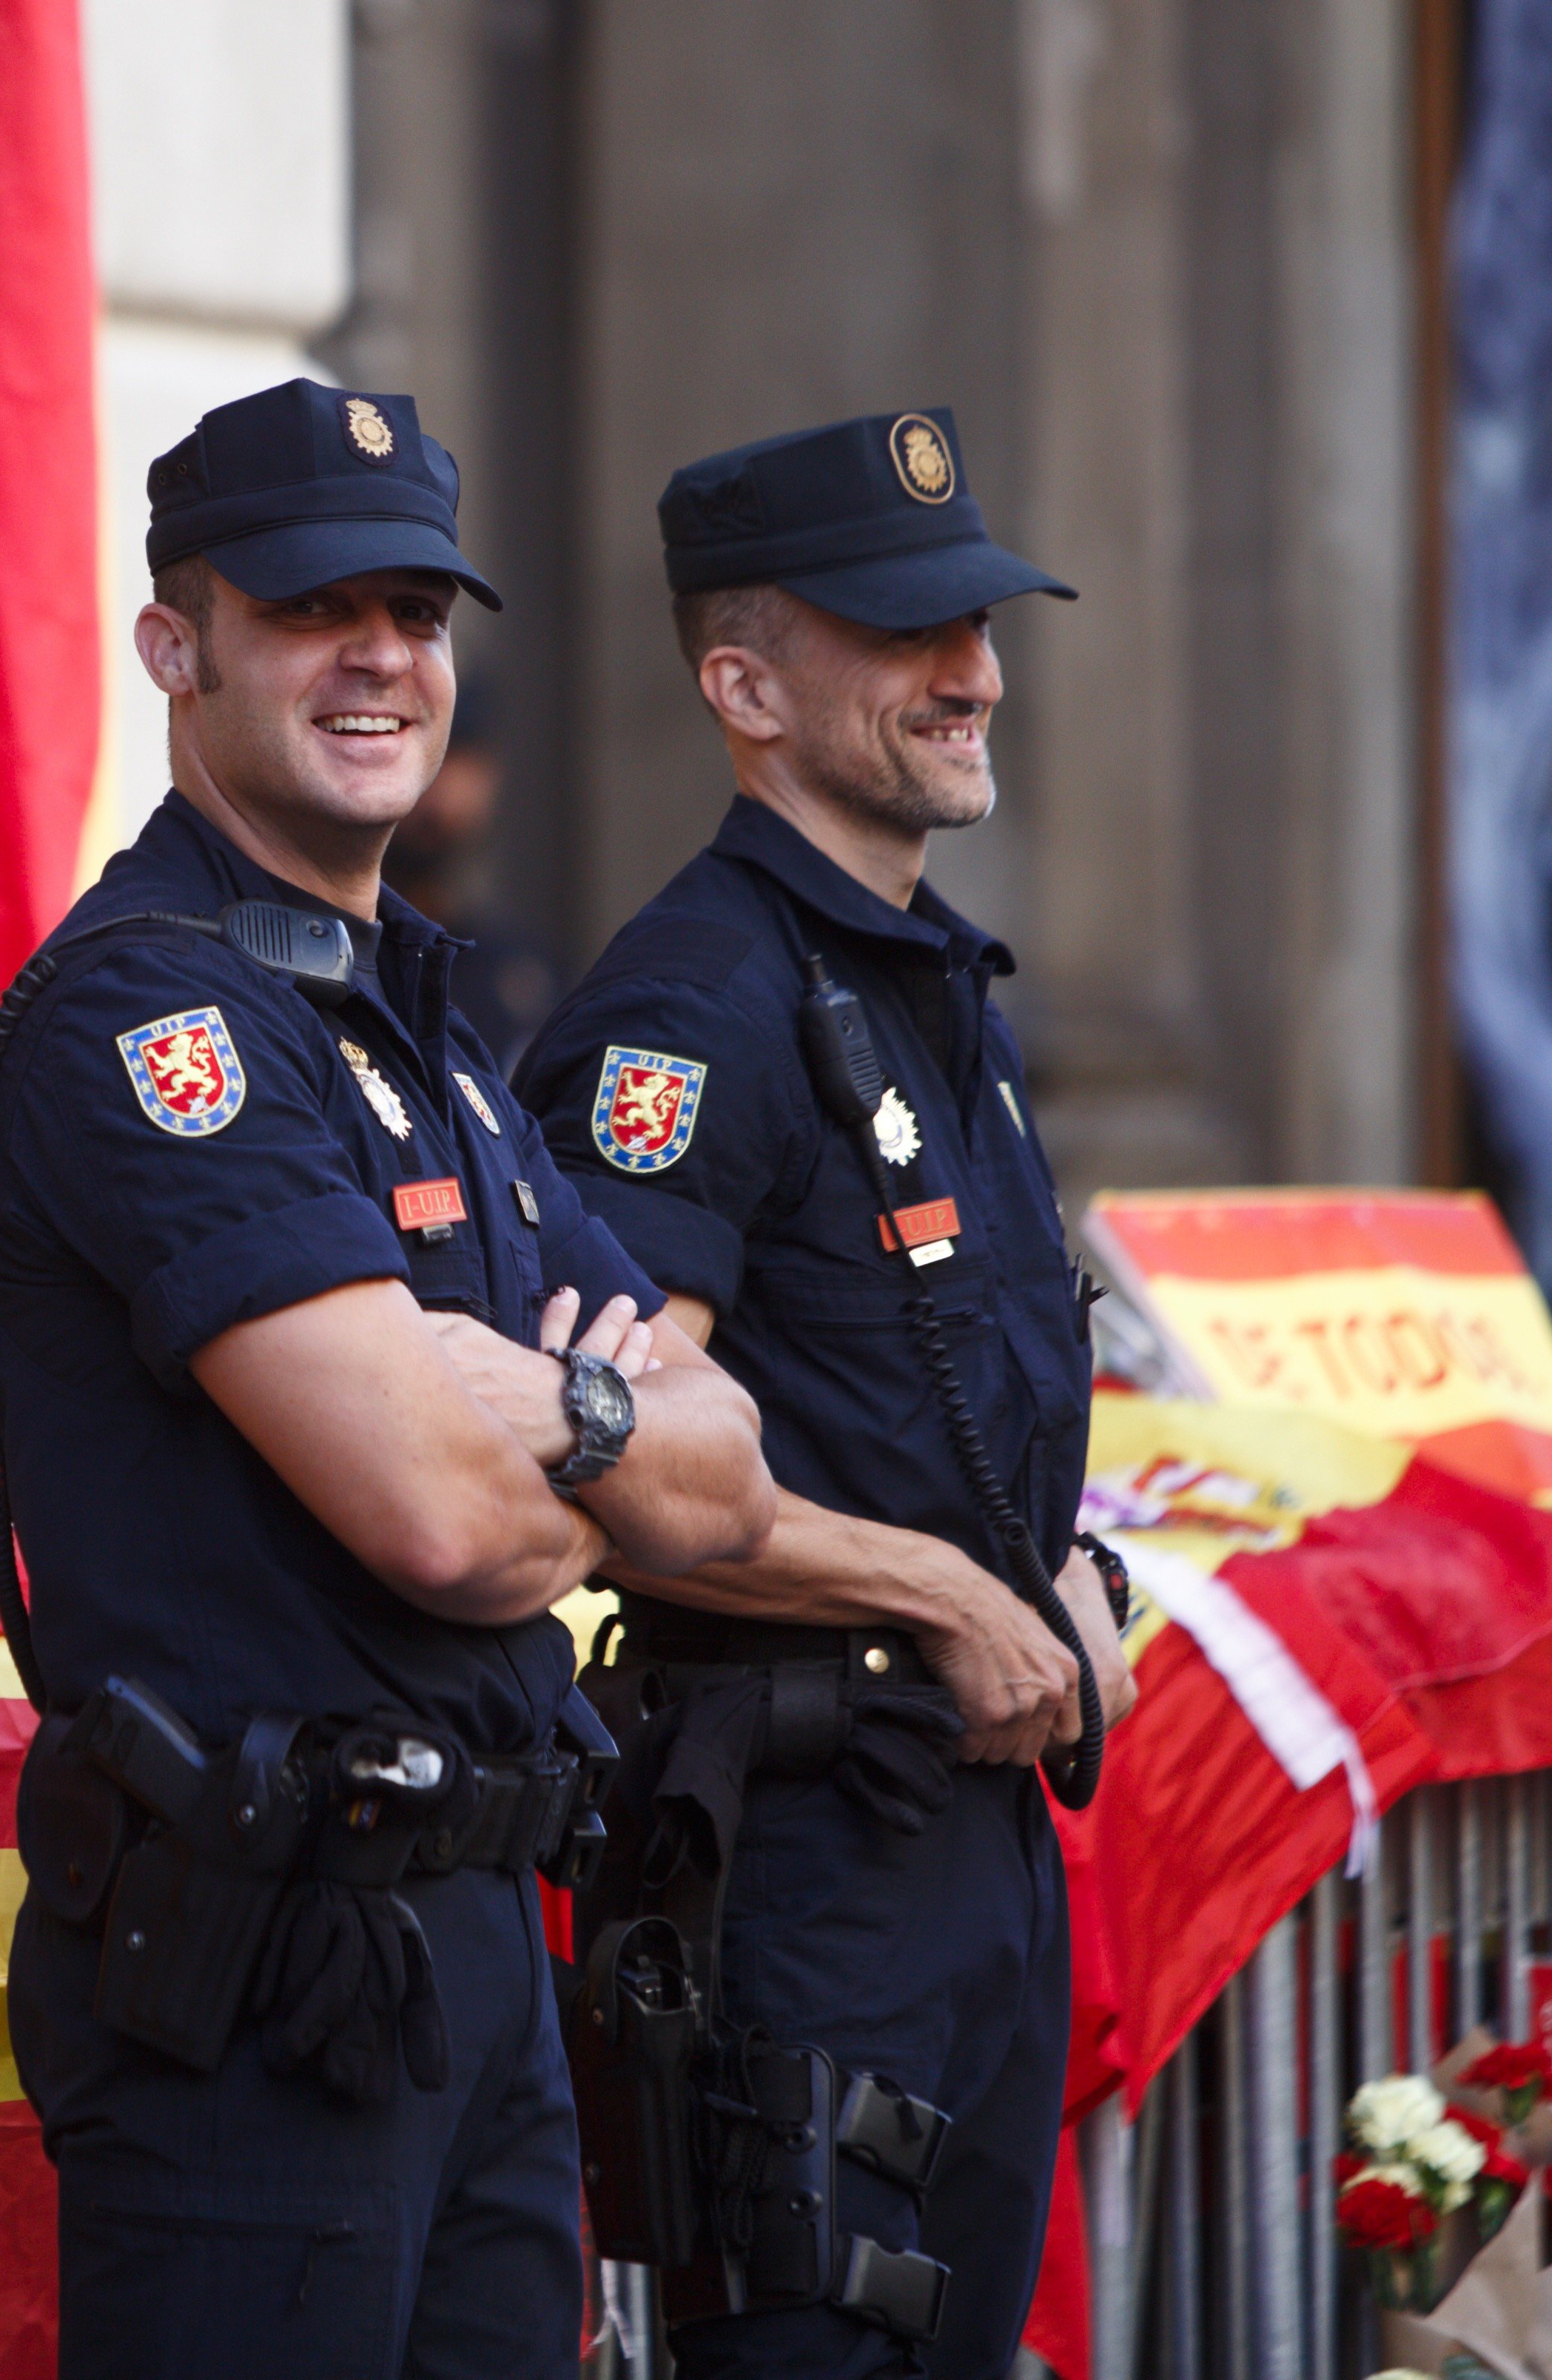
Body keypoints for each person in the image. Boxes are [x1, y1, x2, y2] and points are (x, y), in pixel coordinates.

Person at [0, 377, 777, 2376]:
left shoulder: (411, 1012)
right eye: (317, 606)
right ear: (178, 645)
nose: (383, 658)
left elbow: (729, 1477)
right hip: (264, 1976)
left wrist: (555, 1409)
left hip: (473, 1952)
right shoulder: (162, 1016)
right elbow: (445, 1526)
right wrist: (585, 1439)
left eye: (417, 611)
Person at [511, 409, 1138, 2379]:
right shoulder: (688, 1008)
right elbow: (616, 1450)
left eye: (977, 618)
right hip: (796, 1855)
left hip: (967, 1839)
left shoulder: (937, 983)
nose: (976, 672)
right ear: (745, 685)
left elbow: (961, 1416)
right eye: (906, 633)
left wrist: (1062, 1583)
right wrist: (945, 1598)